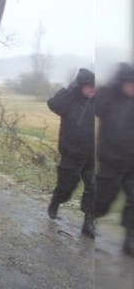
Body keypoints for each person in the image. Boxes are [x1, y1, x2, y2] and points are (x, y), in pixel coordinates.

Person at [46, 68, 96, 238]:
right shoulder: (69, 101)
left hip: (92, 154)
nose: (92, 90)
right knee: (67, 186)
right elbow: (53, 104)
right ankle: (56, 200)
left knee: (94, 187)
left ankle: (88, 223)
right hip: (72, 153)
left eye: (95, 87)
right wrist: (70, 88)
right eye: (89, 86)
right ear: (80, 86)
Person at [94, 63, 134, 255]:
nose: (132, 87)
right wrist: (110, 87)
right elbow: (96, 106)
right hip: (110, 161)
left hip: (132, 163)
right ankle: (90, 219)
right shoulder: (108, 98)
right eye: (129, 83)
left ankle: (130, 240)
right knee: (103, 200)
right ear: (120, 82)